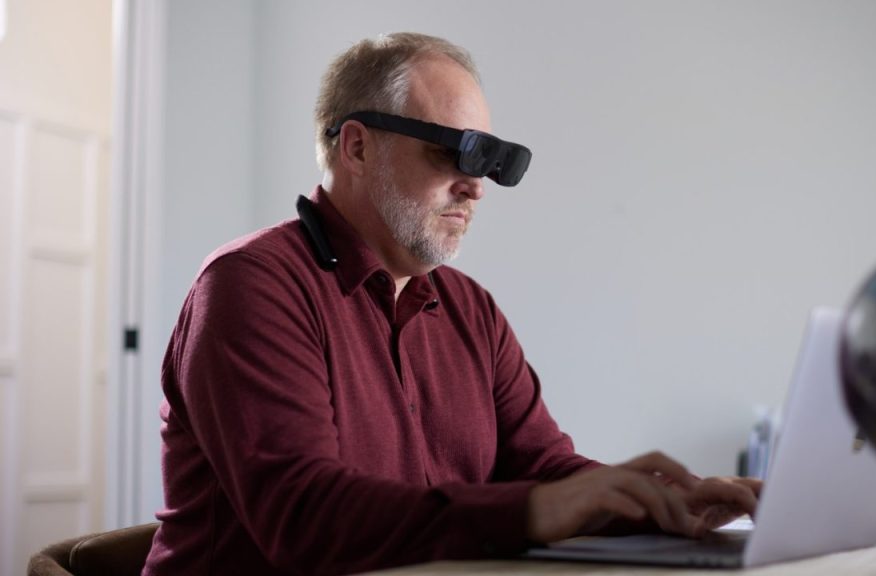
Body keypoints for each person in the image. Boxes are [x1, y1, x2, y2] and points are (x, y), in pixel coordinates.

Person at [142, 32, 761, 576]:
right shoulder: (252, 285)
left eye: (490, 160)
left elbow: (541, 469)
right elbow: (303, 517)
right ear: (356, 147)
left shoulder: (472, 310)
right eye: (454, 151)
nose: (476, 186)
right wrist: (535, 511)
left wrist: (661, 501)